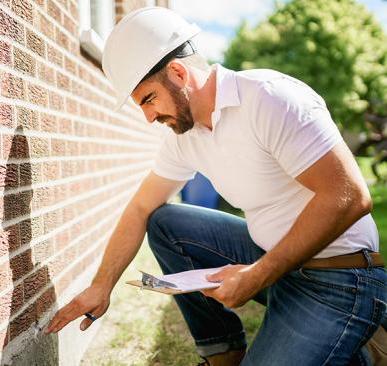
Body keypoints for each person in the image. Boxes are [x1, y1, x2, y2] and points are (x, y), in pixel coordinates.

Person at [45, 7, 386, 365]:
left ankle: (360, 345)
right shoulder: (185, 136)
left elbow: (349, 197)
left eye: (149, 99)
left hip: (340, 278)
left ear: (178, 73)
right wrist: (102, 285)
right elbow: (140, 209)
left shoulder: (270, 99)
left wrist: (257, 275)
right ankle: (223, 354)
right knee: (166, 223)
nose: (149, 117)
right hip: (277, 266)